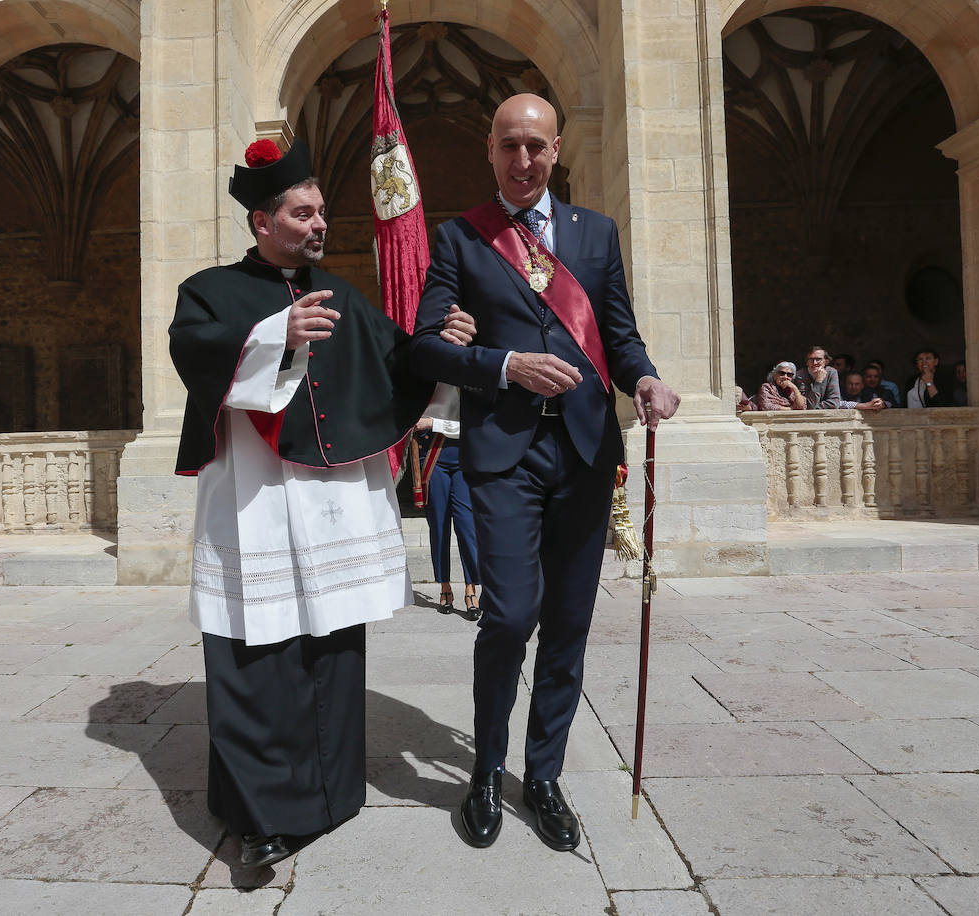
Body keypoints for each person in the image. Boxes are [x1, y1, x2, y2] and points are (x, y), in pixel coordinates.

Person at [168, 137, 471, 869]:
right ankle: (259, 815)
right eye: (302, 213)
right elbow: (192, 350)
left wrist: (449, 345)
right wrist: (275, 334)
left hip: (329, 506)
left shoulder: (340, 293)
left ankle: (333, 795)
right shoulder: (209, 288)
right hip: (258, 503)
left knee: (331, 648)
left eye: (321, 212)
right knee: (256, 656)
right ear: (262, 222)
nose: (318, 224)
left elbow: (399, 362)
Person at [411, 93, 680, 853]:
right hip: (504, 455)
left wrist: (648, 381)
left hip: (588, 455)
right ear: (489, 151)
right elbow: (425, 345)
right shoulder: (463, 239)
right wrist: (502, 364)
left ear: (556, 149)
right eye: (508, 147)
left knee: (568, 622)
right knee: (509, 616)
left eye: (535, 146)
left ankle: (547, 776)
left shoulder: (596, 234)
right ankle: (487, 772)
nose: (522, 161)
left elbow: (620, 338)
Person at [415, 388, 481, 620]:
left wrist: (433, 422)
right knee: (439, 525)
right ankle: (445, 586)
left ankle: (471, 588)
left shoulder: (473, 363)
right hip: (434, 454)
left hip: (465, 456)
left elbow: (479, 422)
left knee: (466, 525)